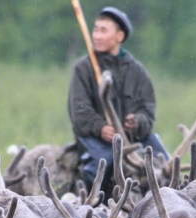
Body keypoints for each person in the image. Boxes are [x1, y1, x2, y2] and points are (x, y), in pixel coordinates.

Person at [68, 6, 168, 192]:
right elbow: (79, 111)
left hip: (132, 140)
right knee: (101, 166)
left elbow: (147, 111)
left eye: (103, 31)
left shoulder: (137, 71)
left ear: (119, 37)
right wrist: (100, 128)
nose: (96, 35)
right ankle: (90, 207)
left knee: (166, 166)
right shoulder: (83, 68)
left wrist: (137, 123)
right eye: (96, 29)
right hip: (95, 140)